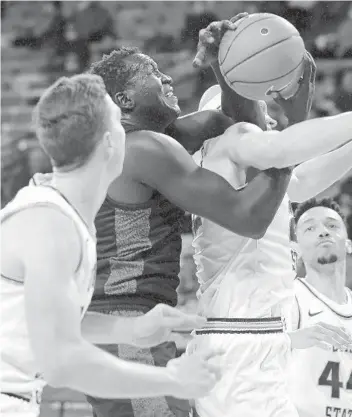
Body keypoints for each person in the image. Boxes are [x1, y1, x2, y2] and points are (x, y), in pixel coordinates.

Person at [86, 14, 293, 417]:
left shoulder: (149, 142)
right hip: (125, 324)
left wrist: (223, 65)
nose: (167, 78)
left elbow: (240, 128)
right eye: (152, 73)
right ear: (124, 101)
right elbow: (249, 218)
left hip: (121, 327)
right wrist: (286, 154)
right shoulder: (140, 148)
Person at [0, 74, 223, 417]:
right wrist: (171, 382)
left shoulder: (62, 216)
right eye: (120, 124)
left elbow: (54, 321)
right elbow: (61, 360)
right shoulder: (50, 224)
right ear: (109, 143)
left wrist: (129, 330)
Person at [186, 16, 352, 417]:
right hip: (244, 336)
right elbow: (282, 151)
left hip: (247, 336)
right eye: (261, 103)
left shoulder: (243, 169)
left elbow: (303, 180)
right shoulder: (233, 140)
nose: (271, 114)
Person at [287, 198, 352, 417]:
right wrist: (289, 340)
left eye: (332, 226)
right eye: (310, 228)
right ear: (295, 249)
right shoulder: (289, 298)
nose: (323, 232)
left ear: (349, 243)